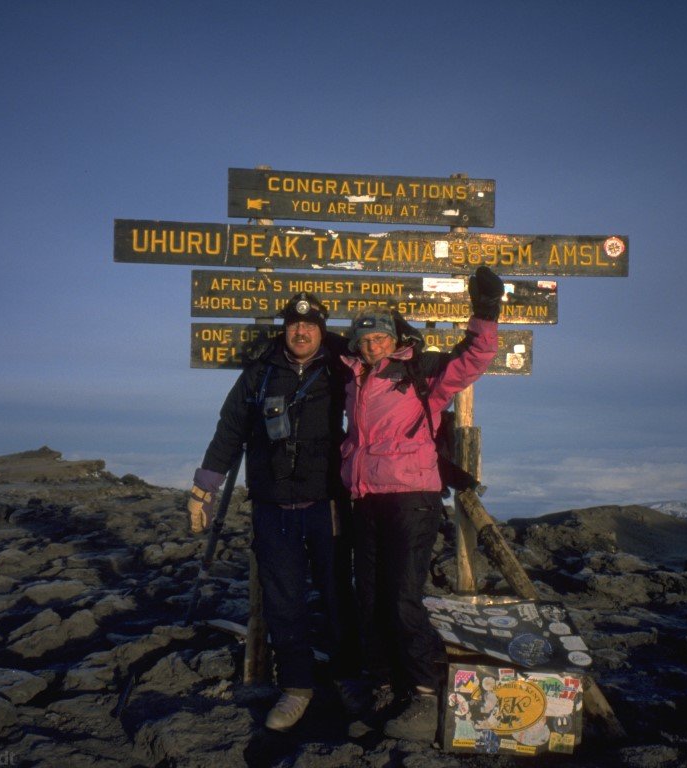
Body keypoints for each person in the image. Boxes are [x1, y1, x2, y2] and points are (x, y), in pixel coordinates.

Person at [339, 266, 504, 742]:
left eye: (378, 337)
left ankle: (425, 693)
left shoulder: (421, 371)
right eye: (364, 338)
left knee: (402, 596)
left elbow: (475, 358)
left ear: (393, 338)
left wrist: (486, 312)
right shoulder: (353, 378)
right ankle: (386, 685)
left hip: (412, 498)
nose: (371, 345)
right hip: (365, 499)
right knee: (368, 597)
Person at [187, 293, 362, 731]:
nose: (300, 332)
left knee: (337, 594)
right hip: (271, 504)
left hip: (328, 504)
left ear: (322, 331)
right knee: (283, 601)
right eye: (292, 325)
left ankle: (347, 677)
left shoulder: (344, 370)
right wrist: (203, 488)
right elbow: (229, 430)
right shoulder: (259, 374)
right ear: (285, 329)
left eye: (309, 326)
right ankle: (297, 687)